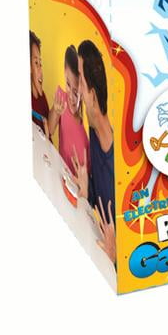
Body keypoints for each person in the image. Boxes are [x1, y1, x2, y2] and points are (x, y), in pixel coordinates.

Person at [71, 40, 116, 264]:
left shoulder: (118, 167)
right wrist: (87, 189)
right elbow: (99, 200)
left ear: (93, 94)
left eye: (80, 80)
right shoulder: (95, 133)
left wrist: (115, 258)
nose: (77, 88)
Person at [47, 45, 89, 179]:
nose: (71, 95)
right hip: (64, 178)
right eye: (68, 85)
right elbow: (50, 129)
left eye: (76, 92)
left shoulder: (87, 114)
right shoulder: (62, 100)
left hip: (82, 183)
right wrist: (56, 111)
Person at [30, 31, 50, 133]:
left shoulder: (42, 98)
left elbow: (49, 129)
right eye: (36, 63)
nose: (40, 70)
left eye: (40, 63)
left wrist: (56, 110)